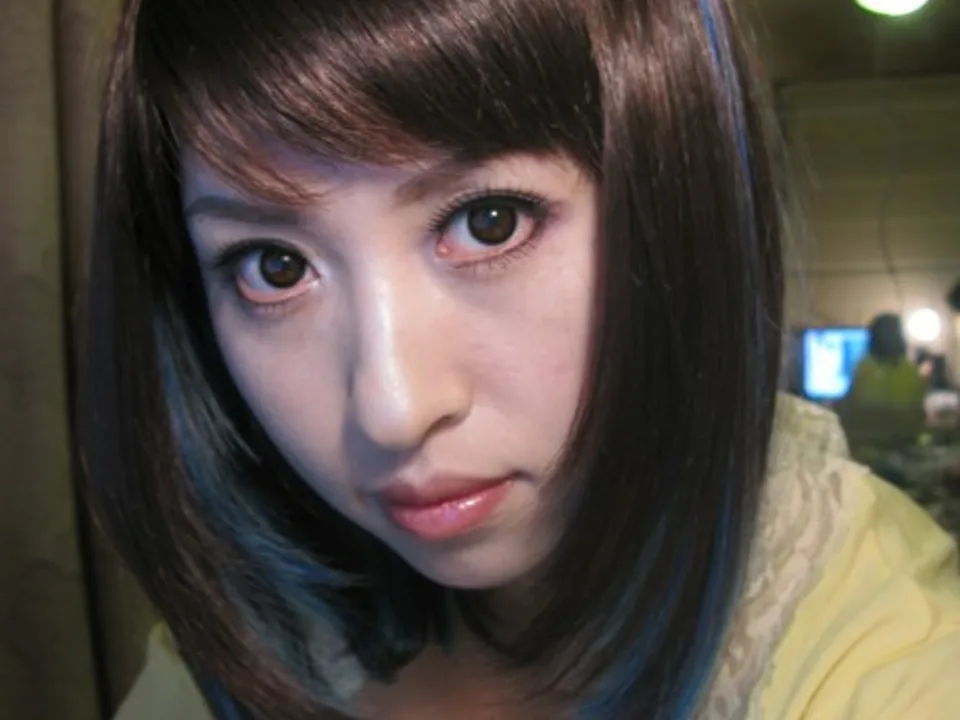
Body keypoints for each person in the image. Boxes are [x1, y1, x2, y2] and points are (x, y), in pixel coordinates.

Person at [79, 0, 960, 718]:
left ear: (677, 202)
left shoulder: (890, 650)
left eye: (488, 222)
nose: (392, 409)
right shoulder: (253, 633)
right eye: (275, 268)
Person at [837, 314, 927, 468]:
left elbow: (916, 416)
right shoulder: (864, 369)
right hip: (871, 455)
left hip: (902, 454)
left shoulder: (910, 371)